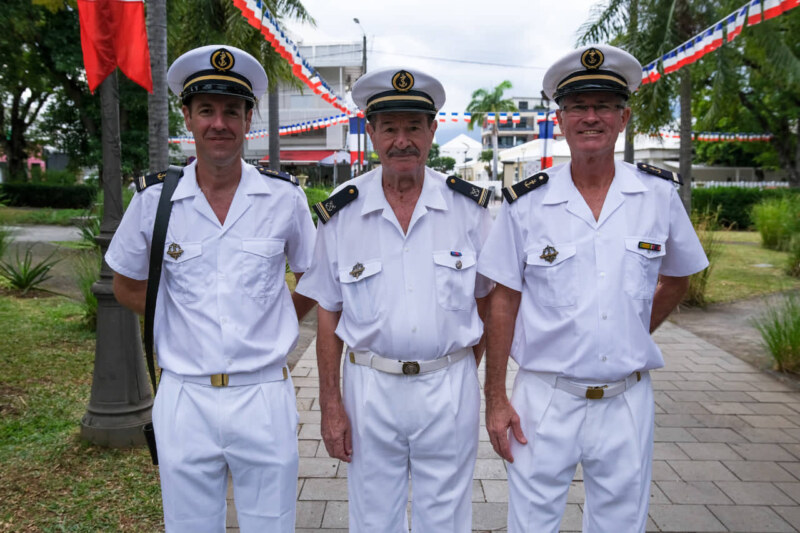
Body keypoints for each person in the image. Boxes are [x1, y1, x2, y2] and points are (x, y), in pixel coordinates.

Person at [477, 44, 709, 533]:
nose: (590, 117)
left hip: (626, 399)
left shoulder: (657, 195)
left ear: (623, 117)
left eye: (603, 106)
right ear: (559, 120)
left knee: (621, 525)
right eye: (578, 107)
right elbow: (503, 299)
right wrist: (495, 397)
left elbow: (678, 276)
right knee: (530, 524)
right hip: (543, 398)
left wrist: (631, 330)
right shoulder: (527, 203)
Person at [105, 45, 317, 532]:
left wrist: (276, 314)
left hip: (263, 393)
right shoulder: (155, 200)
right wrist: (178, 318)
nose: (218, 124)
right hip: (186, 396)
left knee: (272, 523)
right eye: (206, 111)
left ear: (248, 119)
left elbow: (314, 276)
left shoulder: (284, 198)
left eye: (231, 112)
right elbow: (123, 283)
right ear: (187, 117)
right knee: (188, 525)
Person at [295, 67, 494, 532]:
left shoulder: (469, 209)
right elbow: (328, 314)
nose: (401, 140)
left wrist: (462, 367)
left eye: (412, 127)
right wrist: (330, 403)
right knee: (372, 519)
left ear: (432, 131)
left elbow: (489, 302)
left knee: (445, 519)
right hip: (369, 389)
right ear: (371, 132)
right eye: (390, 128)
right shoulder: (342, 212)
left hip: (448, 384)